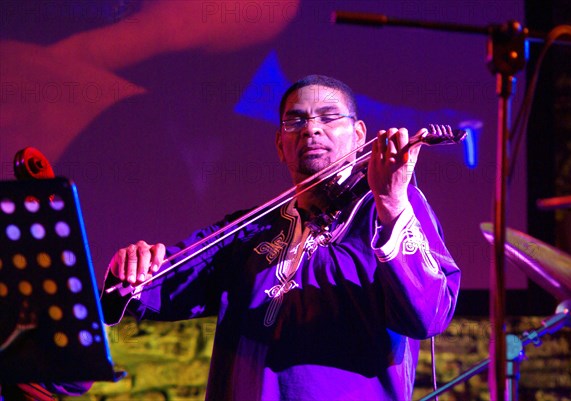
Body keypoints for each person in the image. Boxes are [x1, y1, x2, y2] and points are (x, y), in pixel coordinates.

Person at [101, 75, 461, 401]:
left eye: (328, 117)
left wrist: (392, 202)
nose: (311, 130)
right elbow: (161, 283)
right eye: (296, 120)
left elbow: (427, 317)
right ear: (280, 144)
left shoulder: (389, 208)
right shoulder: (249, 230)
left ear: (359, 135)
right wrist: (132, 267)